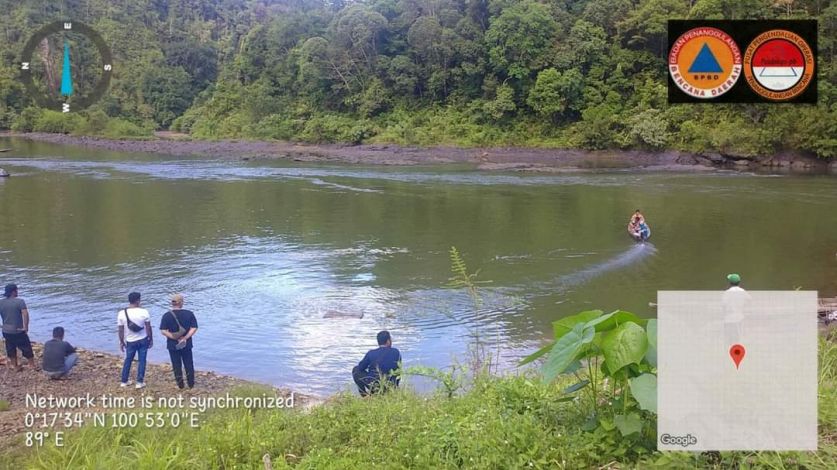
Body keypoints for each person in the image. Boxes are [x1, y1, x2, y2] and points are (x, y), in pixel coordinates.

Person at [159, 293, 198, 389]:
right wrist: (185, 338)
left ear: (172, 303)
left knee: (176, 364)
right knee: (188, 363)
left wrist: (173, 337)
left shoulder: (166, 315)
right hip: (186, 343)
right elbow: (194, 328)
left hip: (172, 344)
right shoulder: (189, 314)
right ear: (181, 303)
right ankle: (191, 384)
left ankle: (180, 385)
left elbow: (163, 331)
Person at [117, 292, 153, 389]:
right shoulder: (144, 312)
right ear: (137, 300)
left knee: (128, 360)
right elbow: (148, 328)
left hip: (130, 340)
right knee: (142, 360)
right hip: (143, 339)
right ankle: (139, 382)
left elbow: (120, 329)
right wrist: (151, 339)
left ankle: (124, 381)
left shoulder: (121, 313)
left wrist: (121, 341)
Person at [352, 330, 401, 397]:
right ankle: (391, 390)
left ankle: (364, 396)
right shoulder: (396, 352)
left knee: (355, 370)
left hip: (375, 386)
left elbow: (360, 367)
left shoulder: (371, 353)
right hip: (391, 386)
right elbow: (399, 370)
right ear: (388, 341)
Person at [1, 283, 36, 371]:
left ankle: (14, 365)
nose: (17, 292)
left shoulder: (1, 302)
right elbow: (25, 313)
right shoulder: (20, 301)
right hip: (18, 330)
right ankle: (31, 364)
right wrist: (26, 327)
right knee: (26, 346)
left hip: (6, 330)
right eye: (16, 290)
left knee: (10, 347)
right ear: (13, 292)